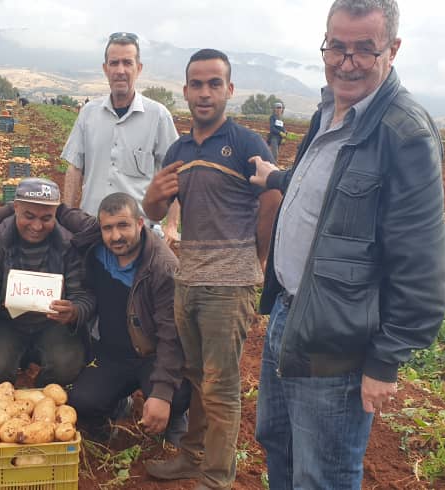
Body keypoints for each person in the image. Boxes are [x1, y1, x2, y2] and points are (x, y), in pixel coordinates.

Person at [247, 0, 445, 487]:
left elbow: (420, 262)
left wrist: (385, 360)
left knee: (323, 474)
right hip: (288, 318)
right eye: (337, 46)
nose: (347, 60)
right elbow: (330, 190)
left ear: (392, 50)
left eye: (364, 49)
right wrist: (277, 177)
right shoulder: (330, 111)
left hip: (339, 344)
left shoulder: (405, 134)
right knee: (280, 447)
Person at [142, 49, 277, 490]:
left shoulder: (246, 144)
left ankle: (217, 479)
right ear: (185, 91)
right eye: (196, 84)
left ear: (229, 90)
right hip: (190, 279)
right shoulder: (178, 150)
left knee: (221, 387)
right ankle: (193, 457)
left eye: (214, 83)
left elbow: (271, 199)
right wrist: (152, 198)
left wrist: (257, 259)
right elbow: (156, 209)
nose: (204, 93)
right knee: (197, 378)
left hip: (229, 285)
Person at [0, 192, 191, 444]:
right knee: (82, 401)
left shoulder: (163, 267)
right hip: (113, 353)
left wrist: (162, 394)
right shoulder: (94, 236)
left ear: (139, 223)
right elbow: (52, 208)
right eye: (108, 228)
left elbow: (172, 334)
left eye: (123, 226)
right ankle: (113, 409)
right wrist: (0, 213)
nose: (115, 236)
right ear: (100, 227)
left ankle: (175, 419)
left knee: (176, 395)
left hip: (152, 353)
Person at [0, 178, 95, 410]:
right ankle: (3, 400)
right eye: (29, 216)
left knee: (67, 363)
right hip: (7, 323)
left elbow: (84, 296)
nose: (37, 226)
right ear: (15, 208)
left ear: (56, 214)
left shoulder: (69, 244)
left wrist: (74, 311)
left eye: (46, 218)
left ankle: (41, 399)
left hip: (51, 325)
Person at [61, 32, 181, 242]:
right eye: (114, 63)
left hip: (139, 233)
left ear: (139, 68)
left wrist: (171, 226)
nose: (120, 71)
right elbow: (74, 169)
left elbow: (176, 173)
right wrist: (66, 219)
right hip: (92, 228)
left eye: (127, 63)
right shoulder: (89, 113)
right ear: (105, 69)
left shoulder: (158, 116)